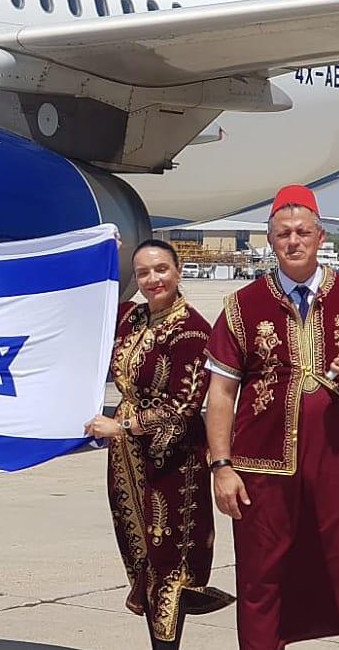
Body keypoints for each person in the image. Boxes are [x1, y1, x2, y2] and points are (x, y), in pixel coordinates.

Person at [204, 186, 339, 650]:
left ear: (320, 236)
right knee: (260, 580)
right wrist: (222, 466)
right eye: (283, 234)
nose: (293, 241)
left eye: (302, 232)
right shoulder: (242, 306)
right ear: (270, 241)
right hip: (263, 470)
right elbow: (221, 394)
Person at [87, 240, 234, 648]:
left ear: (178, 270)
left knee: (170, 564)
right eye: (143, 272)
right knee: (143, 560)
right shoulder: (131, 317)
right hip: (128, 462)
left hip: (174, 465)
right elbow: (91, 302)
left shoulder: (193, 330)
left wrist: (121, 426)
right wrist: (101, 254)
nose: (153, 279)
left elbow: (182, 408)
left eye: (161, 269)